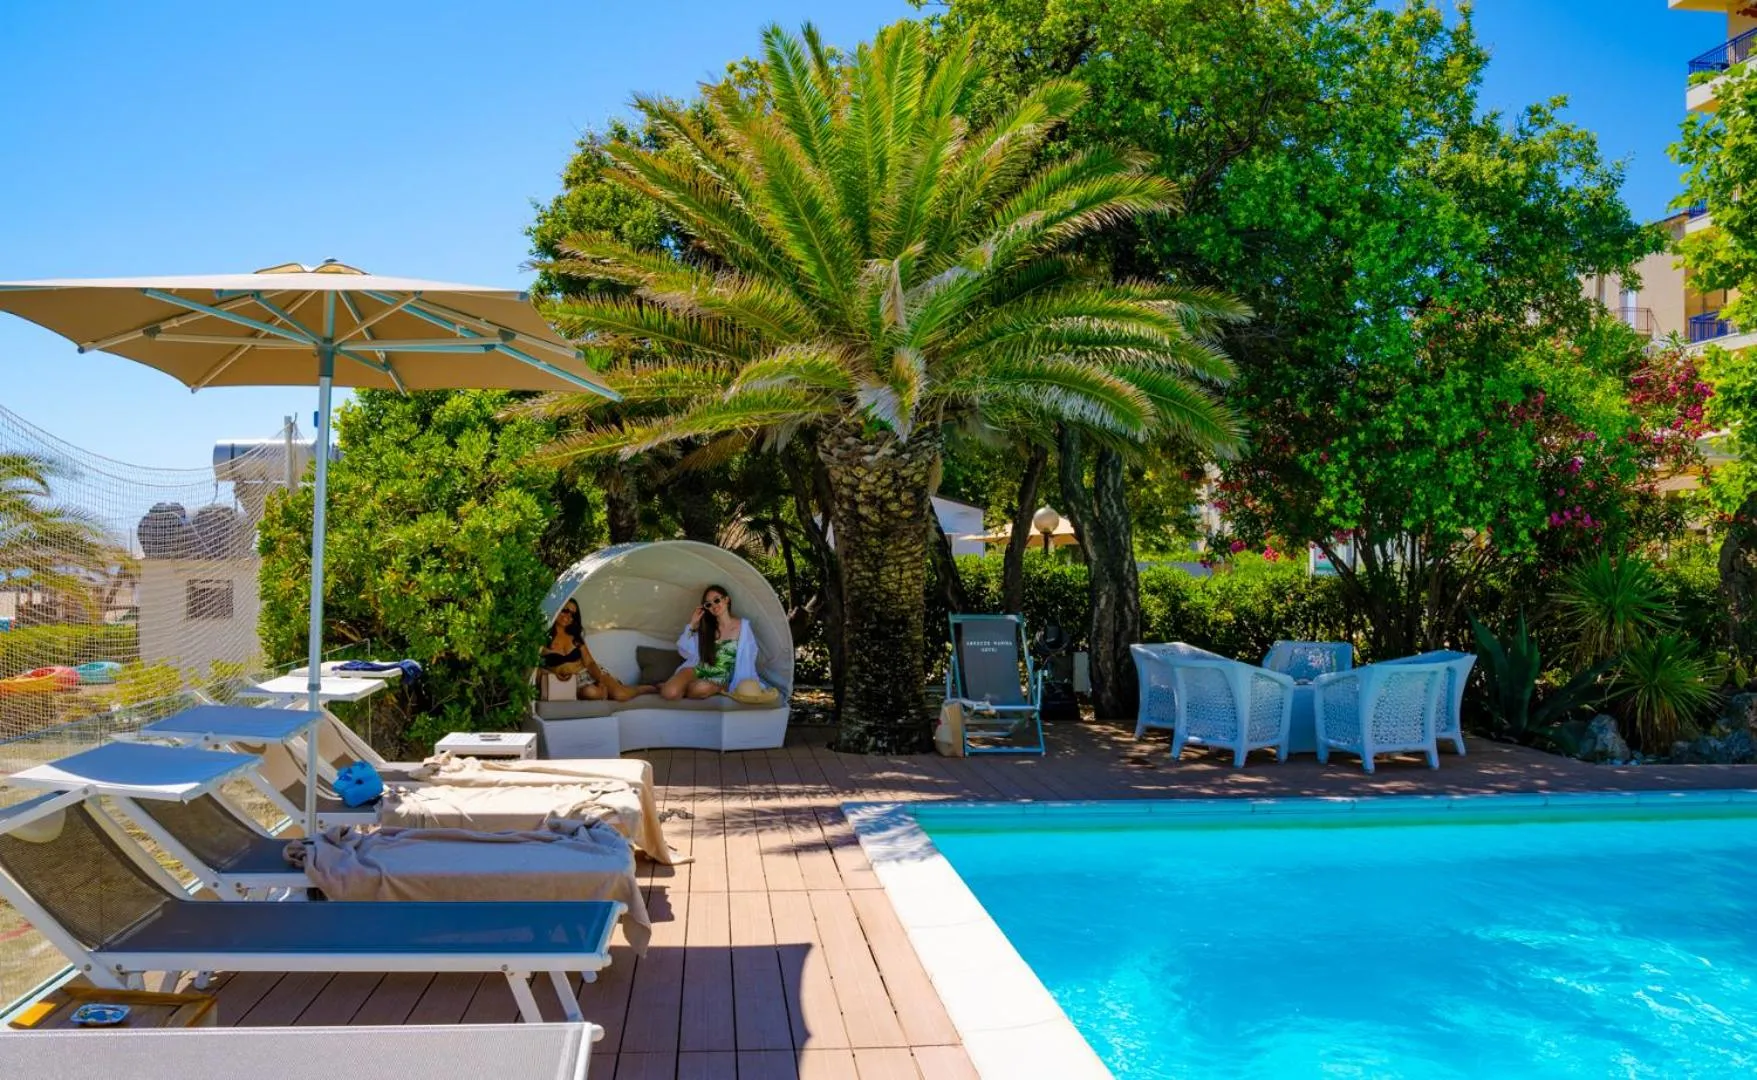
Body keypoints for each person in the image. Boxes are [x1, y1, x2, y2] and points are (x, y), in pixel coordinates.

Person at [661, 584, 764, 700]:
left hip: (720, 678)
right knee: (669, 693)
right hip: (697, 670)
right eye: (708, 604)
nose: (714, 605)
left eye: (716, 600)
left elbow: (748, 658)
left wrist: (740, 684)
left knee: (700, 688)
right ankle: (663, 687)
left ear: (726, 600)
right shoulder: (706, 627)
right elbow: (685, 651)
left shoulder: (743, 627)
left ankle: (718, 688)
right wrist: (693, 624)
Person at [542, 597, 654, 702]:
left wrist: (600, 680)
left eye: (573, 614)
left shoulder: (575, 637)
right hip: (571, 683)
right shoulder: (543, 639)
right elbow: (538, 669)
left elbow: (589, 663)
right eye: (565, 610)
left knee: (620, 695)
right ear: (557, 609)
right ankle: (603, 693)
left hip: (590, 674)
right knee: (589, 692)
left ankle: (640, 689)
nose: (568, 616)